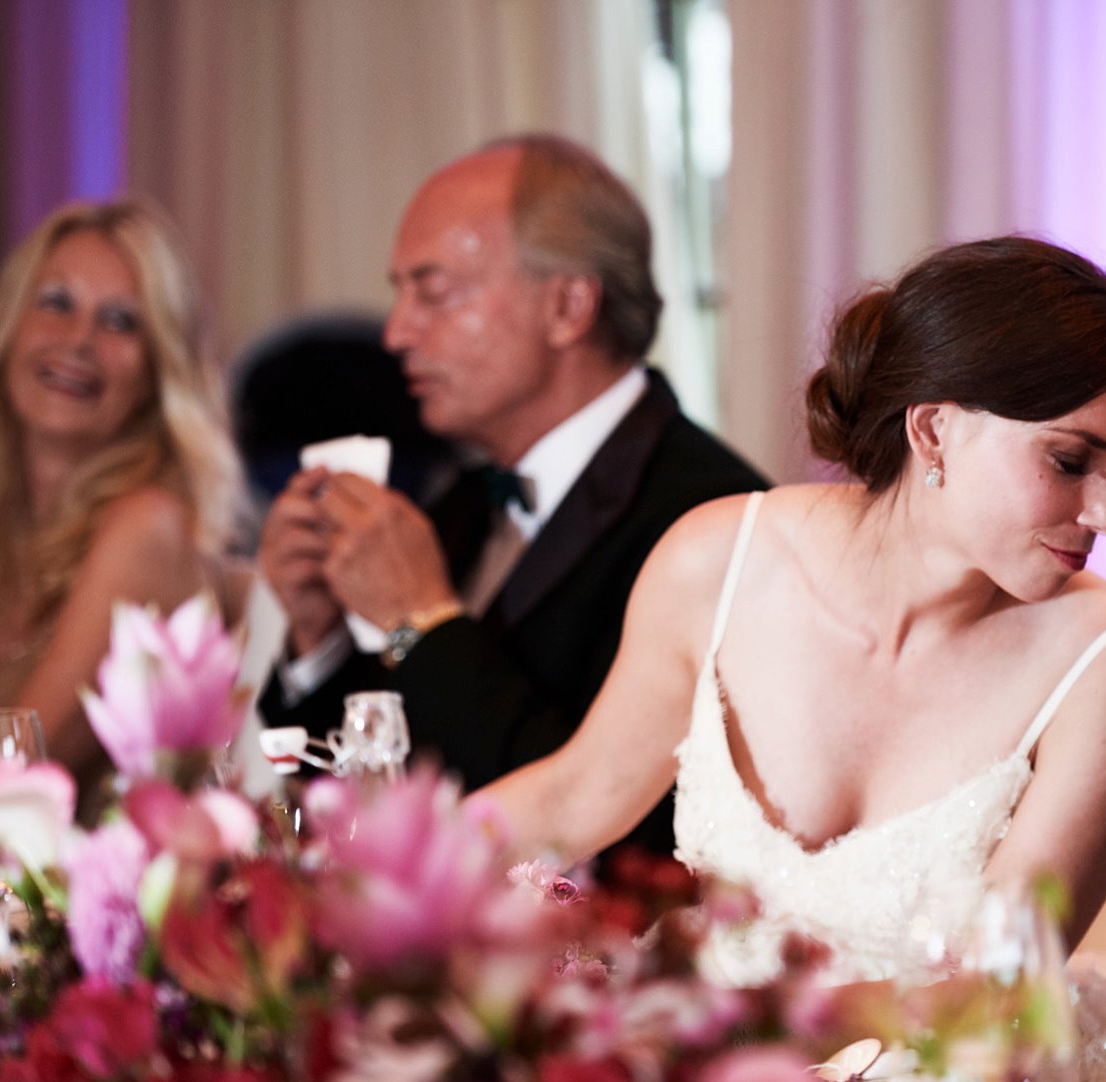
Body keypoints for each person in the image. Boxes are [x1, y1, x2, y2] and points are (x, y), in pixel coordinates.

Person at [478, 236, 1106, 979]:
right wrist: (393, 880)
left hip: (945, 1052)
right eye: (1070, 462)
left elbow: (1000, 988)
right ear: (933, 429)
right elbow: (572, 796)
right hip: (702, 1035)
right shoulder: (721, 561)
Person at [255, 135, 766, 861]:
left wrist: (419, 625)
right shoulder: (458, 502)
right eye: (399, 294)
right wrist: (321, 640)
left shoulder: (715, 520)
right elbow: (351, 818)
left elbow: (641, 840)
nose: (396, 334)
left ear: (567, 306)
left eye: (433, 292)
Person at [0, 198, 243, 795]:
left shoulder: (147, 528)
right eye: (56, 302)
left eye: (120, 322)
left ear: (157, 371)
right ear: (10, 325)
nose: (78, 340)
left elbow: (13, 780)